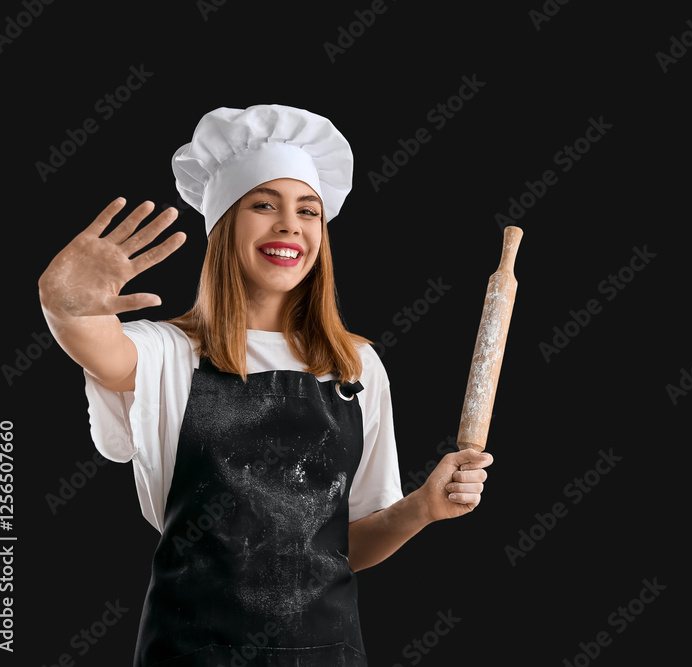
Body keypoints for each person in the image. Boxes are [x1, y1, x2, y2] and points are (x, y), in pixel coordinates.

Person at [37, 104, 493, 667]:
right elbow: (99, 347)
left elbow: (347, 543)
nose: (289, 225)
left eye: (308, 211)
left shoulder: (355, 366)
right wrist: (66, 304)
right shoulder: (169, 353)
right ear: (224, 222)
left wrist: (422, 508)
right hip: (190, 653)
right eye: (263, 204)